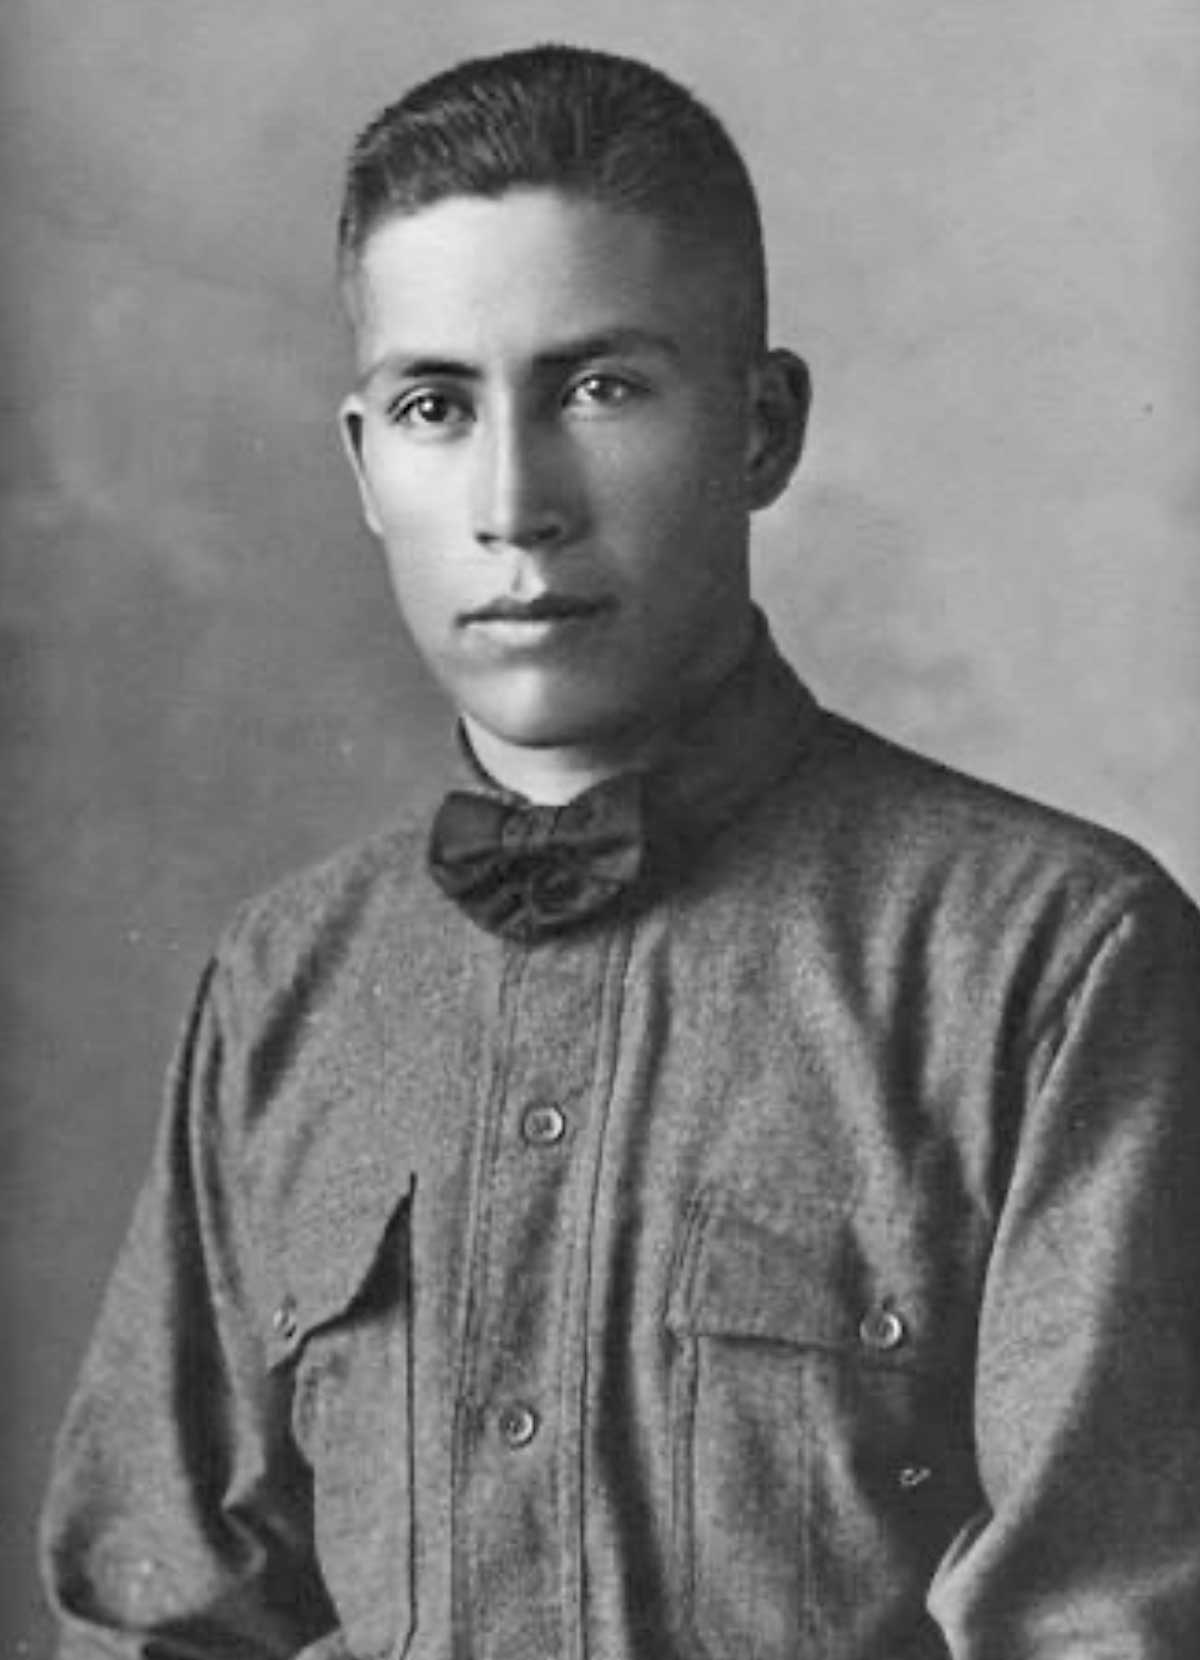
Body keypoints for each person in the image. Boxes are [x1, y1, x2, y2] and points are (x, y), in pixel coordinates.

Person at [40, 42, 1200, 1660]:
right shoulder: (281, 987)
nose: (518, 502)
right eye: (440, 407)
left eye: (601, 388)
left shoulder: (1054, 962)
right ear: (367, 469)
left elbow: (1112, 1629)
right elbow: (159, 1620)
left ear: (762, 427)